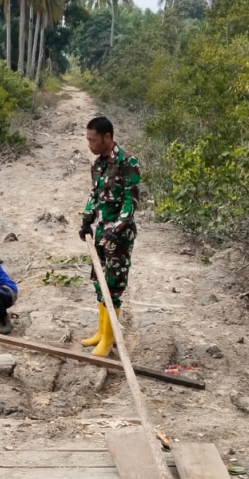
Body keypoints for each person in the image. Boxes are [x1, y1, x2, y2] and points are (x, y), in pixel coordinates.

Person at [78, 116, 141, 357]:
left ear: (107, 137)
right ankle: (100, 332)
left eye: (93, 140)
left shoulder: (128, 162)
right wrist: (86, 219)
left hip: (120, 235)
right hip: (101, 231)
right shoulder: (97, 165)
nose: (90, 145)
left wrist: (117, 228)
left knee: (113, 285)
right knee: (99, 282)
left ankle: (109, 338)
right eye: (88, 140)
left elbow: (131, 200)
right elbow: (94, 195)